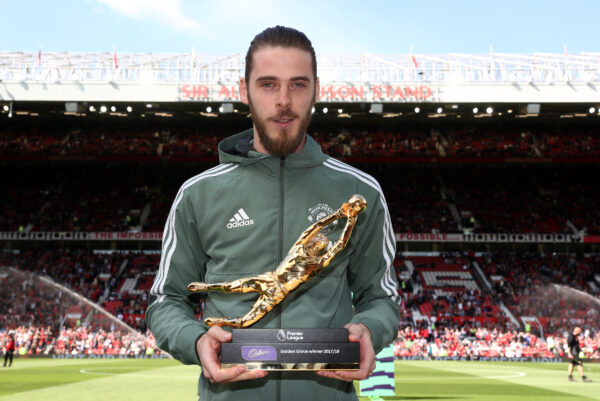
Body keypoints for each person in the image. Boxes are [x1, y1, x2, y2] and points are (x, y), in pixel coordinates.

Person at [146, 25, 400, 401]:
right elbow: (166, 301)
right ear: (244, 91)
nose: (284, 100)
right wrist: (197, 340)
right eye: (268, 84)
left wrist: (369, 329)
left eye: (298, 84)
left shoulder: (361, 192)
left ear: (317, 89)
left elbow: (381, 297)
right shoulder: (198, 194)